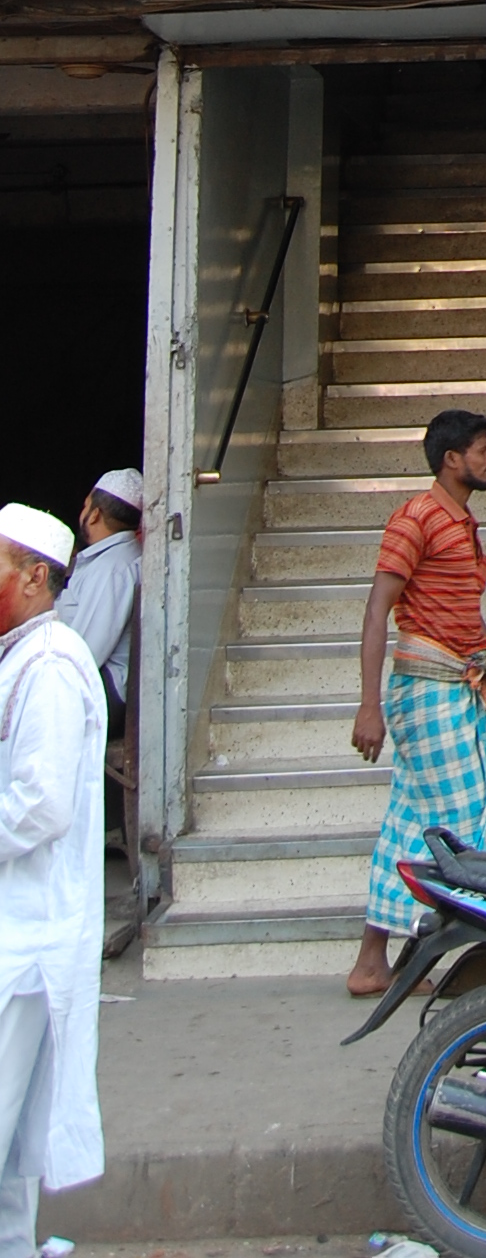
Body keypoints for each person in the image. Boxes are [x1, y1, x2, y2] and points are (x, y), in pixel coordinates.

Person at [347, 409, 486, 1000]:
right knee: (452, 825)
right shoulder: (416, 518)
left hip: (456, 686)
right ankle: (408, 956)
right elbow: (378, 610)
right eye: (482, 449)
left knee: (416, 821)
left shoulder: (461, 523)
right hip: (427, 689)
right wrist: (368, 706)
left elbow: (467, 618)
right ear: (453, 459)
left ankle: (380, 962)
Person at [0, 502, 106, 1258]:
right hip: (23, 934)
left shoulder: (49, 667)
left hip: (27, 939)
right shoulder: (27, 657)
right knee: (11, 1141)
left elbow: (40, 807)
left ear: (36, 576)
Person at [54, 471, 142, 731]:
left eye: (85, 506)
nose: (82, 512)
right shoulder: (110, 560)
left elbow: (87, 652)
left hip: (105, 689)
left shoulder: (111, 569)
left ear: (94, 514)